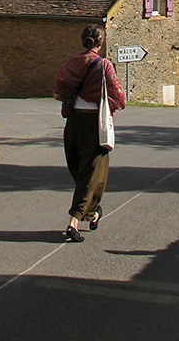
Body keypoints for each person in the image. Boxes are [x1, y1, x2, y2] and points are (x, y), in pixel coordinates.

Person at [53, 24, 125, 242]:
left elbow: (60, 87)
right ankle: (73, 222)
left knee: (83, 172)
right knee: (91, 173)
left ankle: (92, 212)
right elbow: (119, 99)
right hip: (95, 124)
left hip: (74, 123)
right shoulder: (104, 66)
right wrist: (105, 100)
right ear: (100, 43)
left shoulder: (72, 63)